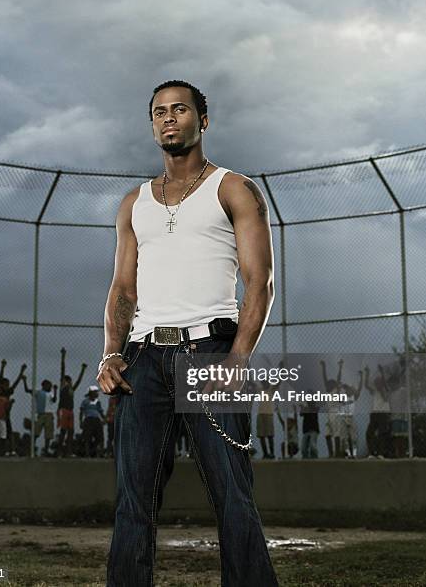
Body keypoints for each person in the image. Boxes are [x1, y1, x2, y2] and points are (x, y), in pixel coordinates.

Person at [97, 80, 278, 586]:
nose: (169, 118)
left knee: (232, 497)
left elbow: (259, 282)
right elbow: (122, 289)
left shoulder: (233, 188)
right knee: (133, 501)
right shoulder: (134, 202)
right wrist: (109, 354)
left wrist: (238, 360)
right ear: (152, 123)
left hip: (210, 354)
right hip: (144, 361)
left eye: (180, 109)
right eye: (159, 112)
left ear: (203, 119)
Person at [57, 347, 87, 457]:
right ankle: (59, 451)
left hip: (70, 411)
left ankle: (68, 452)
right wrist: (63, 356)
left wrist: (83, 370)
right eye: (67, 381)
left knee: (70, 432)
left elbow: (78, 381)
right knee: (63, 431)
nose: (69, 382)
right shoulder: (63, 387)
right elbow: (62, 370)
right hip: (63, 411)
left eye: (69, 381)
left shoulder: (71, 389)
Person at [23, 377, 58, 457]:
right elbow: (27, 390)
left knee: (48, 434)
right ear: (43, 385)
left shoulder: (50, 394)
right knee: (36, 432)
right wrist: (24, 381)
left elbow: (54, 400)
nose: (50, 387)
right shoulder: (38, 392)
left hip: (49, 414)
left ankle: (46, 450)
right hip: (41, 414)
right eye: (48, 385)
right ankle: (31, 449)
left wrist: (55, 391)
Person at [365, 363, 391, 458]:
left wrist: (382, 372)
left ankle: (381, 453)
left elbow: (385, 397)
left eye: (378, 382)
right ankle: (371, 453)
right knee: (369, 433)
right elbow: (366, 385)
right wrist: (367, 373)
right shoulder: (375, 391)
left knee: (382, 433)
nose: (376, 384)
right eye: (376, 383)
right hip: (375, 413)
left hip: (383, 414)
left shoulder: (385, 390)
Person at [79, 385, 106, 457]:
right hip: (88, 419)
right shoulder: (85, 401)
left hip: (96, 419)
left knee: (100, 437)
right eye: (95, 392)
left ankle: (99, 453)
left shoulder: (98, 402)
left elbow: (100, 411)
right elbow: (81, 412)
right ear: (91, 393)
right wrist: (81, 421)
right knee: (87, 437)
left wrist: (104, 419)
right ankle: (87, 453)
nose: (97, 394)